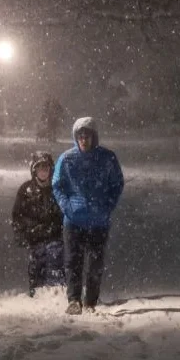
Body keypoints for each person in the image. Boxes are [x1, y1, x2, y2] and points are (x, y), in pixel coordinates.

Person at [52, 117, 124, 314]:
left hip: (99, 221)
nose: (84, 140)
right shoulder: (67, 159)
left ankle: (90, 301)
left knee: (95, 264)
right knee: (72, 262)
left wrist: (107, 206)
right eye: (80, 136)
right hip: (73, 220)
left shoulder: (107, 158)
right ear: (76, 138)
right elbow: (57, 185)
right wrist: (67, 207)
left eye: (87, 136)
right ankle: (74, 300)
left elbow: (117, 184)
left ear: (94, 137)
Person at [11, 151, 65, 297]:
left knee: (55, 263)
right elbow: (18, 215)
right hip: (34, 238)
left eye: (46, 168)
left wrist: (56, 227)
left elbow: (64, 212)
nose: (43, 171)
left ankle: (56, 293)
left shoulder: (57, 189)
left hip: (55, 237)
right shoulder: (26, 190)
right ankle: (37, 294)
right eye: (40, 168)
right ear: (34, 170)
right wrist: (24, 231)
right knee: (36, 267)